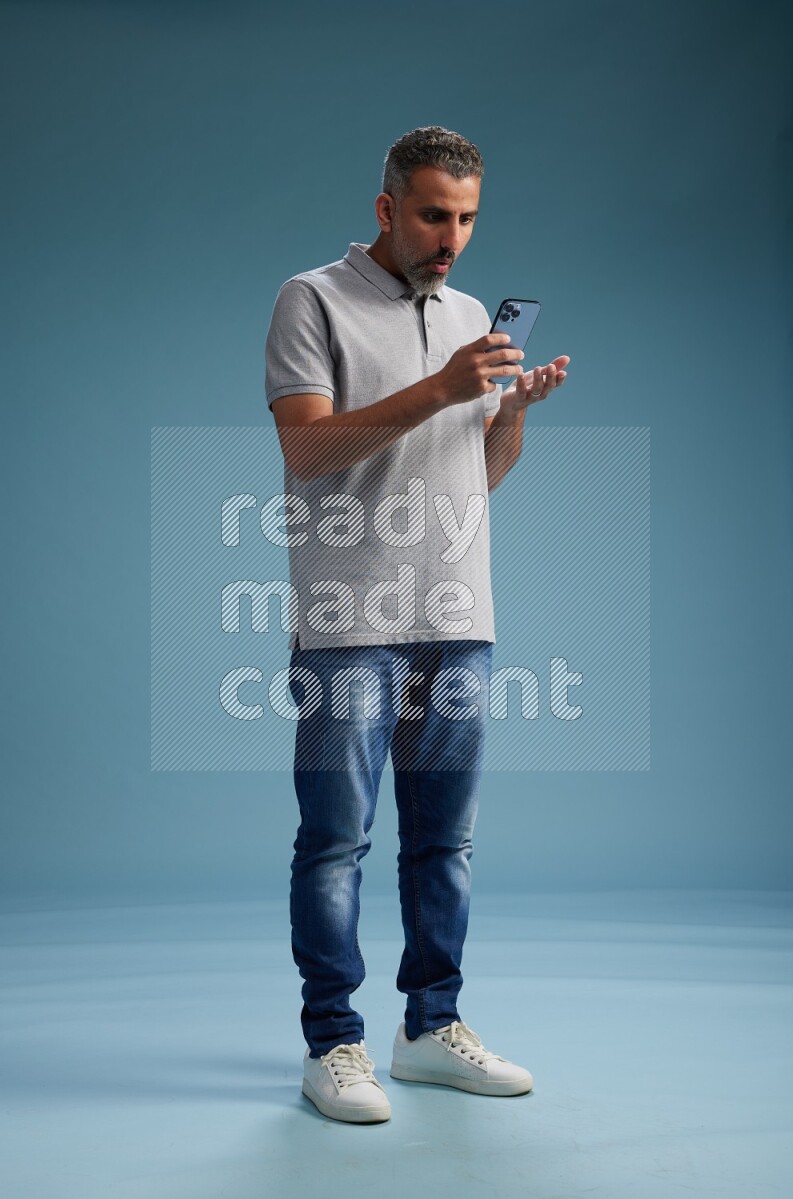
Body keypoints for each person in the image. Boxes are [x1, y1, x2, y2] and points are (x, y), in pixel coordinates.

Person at [264, 126, 569, 1123]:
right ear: (386, 207)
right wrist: (441, 387)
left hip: (456, 610)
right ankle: (333, 1042)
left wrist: (507, 415)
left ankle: (428, 1026)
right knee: (335, 840)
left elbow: (467, 480)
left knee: (445, 841)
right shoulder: (311, 299)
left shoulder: (471, 312)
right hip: (349, 615)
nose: (451, 237)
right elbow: (309, 451)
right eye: (434, 213)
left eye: (468, 218)